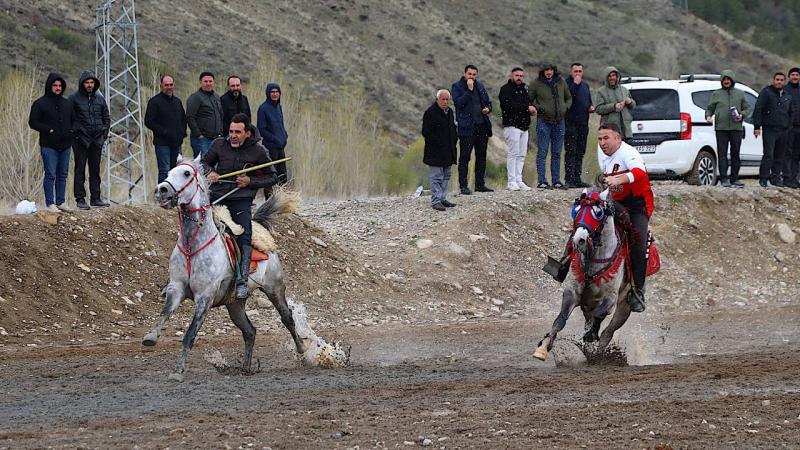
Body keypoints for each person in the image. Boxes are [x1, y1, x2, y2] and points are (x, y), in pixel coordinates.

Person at [203, 113, 278, 300]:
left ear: (247, 133)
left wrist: (250, 181)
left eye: (238, 132)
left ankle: (242, 281)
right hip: (217, 196)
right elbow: (204, 163)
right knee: (193, 226)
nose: (233, 136)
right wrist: (210, 172)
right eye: (231, 131)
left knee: (244, 233)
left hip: (241, 199)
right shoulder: (219, 144)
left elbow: (272, 177)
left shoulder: (258, 151)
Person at [598, 123, 654, 313]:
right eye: (600, 139)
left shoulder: (628, 152)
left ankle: (638, 291)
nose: (602, 143)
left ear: (617, 138)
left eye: (606, 138)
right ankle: (565, 265)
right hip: (616, 203)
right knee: (587, 221)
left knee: (638, 242)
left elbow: (639, 172)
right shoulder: (604, 156)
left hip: (637, 206)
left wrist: (618, 179)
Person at [28, 73, 76, 213]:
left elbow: (75, 121)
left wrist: (72, 131)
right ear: (49, 86)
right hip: (49, 146)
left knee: (63, 174)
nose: (58, 88)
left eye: (60, 85)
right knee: (50, 174)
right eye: (55, 85)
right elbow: (33, 122)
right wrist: (48, 129)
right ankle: (50, 203)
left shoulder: (67, 103)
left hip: (66, 145)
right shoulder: (40, 103)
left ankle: (61, 202)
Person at [70, 71, 111, 209]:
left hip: (96, 140)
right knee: (80, 169)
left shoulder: (100, 99)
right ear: (82, 84)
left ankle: (96, 198)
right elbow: (70, 119)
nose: (89, 85)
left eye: (92, 82)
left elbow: (106, 118)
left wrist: (104, 135)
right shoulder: (73, 99)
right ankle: (80, 199)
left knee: (95, 170)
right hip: (80, 140)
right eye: (87, 82)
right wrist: (76, 134)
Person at [452, 64, 493, 195]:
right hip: (466, 128)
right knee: (465, 157)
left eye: (474, 74)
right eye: (469, 74)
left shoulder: (479, 86)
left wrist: (488, 108)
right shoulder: (457, 86)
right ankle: (463, 186)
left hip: (481, 126)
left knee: (481, 156)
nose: (472, 77)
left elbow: (488, 102)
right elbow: (458, 103)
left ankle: (480, 184)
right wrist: (469, 90)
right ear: (465, 73)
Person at [529, 63, 572, 190]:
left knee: (557, 153)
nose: (549, 72)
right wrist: (538, 108)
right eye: (546, 70)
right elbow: (529, 99)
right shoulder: (536, 84)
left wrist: (565, 108)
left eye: (551, 70)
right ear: (543, 71)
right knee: (542, 152)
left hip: (559, 122)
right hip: (544, 122)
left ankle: (556, 181)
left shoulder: (561, 82)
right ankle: (542, 181)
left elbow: (569, 98)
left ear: (554, 71)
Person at [704, 70, 750, 188]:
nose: (726, 81)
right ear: (721, 81)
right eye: (724, 79)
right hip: (721, 128)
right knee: (722, 154)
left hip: (736, 128)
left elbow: (747, 108)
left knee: (735, 154)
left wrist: (742, 115)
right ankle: (724, 179)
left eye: (728, 79)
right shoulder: (716, 94)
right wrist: (708, 116)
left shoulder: (740, 93)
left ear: (732, 80)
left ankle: (734, 179)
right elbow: (710, 108)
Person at [145, 75, 187, 183]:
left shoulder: (177, 101)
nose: (169, 87)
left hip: (176, 143)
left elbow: (183, 118)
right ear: (161, 86)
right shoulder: (154, 102)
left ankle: (175, 193)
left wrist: (182, 133)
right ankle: (162, 193)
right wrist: (164, 132)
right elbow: (149, 121)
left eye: (171, 85)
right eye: (166, 85)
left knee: (176, 170)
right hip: (162, 143)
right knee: (165, 170)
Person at [753, 72, 792, 188]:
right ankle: (763, 178)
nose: (779, 82)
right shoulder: (766, 92)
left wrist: (789, 127)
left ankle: (776, 178)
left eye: (781, 80)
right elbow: (758, 109)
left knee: (780, 156)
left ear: (784, 82)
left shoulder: (787, 96)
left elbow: (790, 112)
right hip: (769, 129)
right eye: (777, 79)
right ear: (773, 80)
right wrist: (757, 126)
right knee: (768, 154)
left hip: (783, 130)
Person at [422, 89, 458, 211]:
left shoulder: (450, 112)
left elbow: (453, 130)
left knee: (446, 176)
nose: (445, 102)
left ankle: (442, 198)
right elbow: (426, 132)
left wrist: (453, 141)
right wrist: (438, 144)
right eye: (443, 99)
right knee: (436, 177)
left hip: (448, 151)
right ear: (437, 99)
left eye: (447, 99)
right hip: (435, 152)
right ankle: (436, 201)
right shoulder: (430, 113)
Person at [498, 67, 533, 191]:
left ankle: (519, 180)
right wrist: (526, 108)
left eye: (521, 76)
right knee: (513, 153)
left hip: (524, 126)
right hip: (512, 125)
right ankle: (511, 181)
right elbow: (508, 106)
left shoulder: (525, 89)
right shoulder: (505, 89)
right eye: (517, 75)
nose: (519, 78)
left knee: (522, 154)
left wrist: (531, 110)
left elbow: (529, 103)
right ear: (511, 76)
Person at [564, 63, 594, 188]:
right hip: (570, 123)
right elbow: (568, 98)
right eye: (575, 71)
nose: (577, 74)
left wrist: (590, 106)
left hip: (583, 123)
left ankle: (577, 178)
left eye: (580, 71)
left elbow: (588, 101)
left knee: (580, 151)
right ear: (570, 72)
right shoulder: (566, 84)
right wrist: (575, 84)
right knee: (571, 150)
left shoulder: (585, 85)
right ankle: (569, 179)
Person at [257, 82, 289, 189]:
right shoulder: (263, 108)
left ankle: (283, 196)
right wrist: (275, 139)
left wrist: (284, 135)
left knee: (282, 175)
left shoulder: (278, 107)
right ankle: (270, 197)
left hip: (280, 147)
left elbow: (280, 124)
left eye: (277, 92)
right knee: (271, 175)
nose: (275, 94)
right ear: (268, 93)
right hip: (270, 147)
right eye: (272, 92)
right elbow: (261, 129)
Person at [187, 71, 223, 158]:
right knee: (203, 164)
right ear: (200, 82)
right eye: (205, 81)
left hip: (216, 139)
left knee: (215, 163)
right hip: (202, 140)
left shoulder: (216, 97)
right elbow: (190, 117)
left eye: (210, 81)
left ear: (214, 82)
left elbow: (220, 115)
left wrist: (220, 131)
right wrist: (199, 135)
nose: (208, 83)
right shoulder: (195, 97)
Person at [595, 66, 636, 140]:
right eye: (609, 76)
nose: (612, 78)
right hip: (611, 131)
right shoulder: (601, 92)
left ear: (617, 76)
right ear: (606, 78)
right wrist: (614, 106)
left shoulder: (624, 90)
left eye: (613, 75)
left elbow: (633, 106)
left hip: (626, 131)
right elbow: (598, 109)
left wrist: (630, 102)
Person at [785, 67, 800, 188]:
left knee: (797, 154)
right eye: (793, 75)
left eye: (797, 75)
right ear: (789, 76)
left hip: (799, 128)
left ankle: (794, 179)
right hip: (787, 127)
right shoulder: (784, 90)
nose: (795, 77)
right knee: (787, 153)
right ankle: (787, 178)